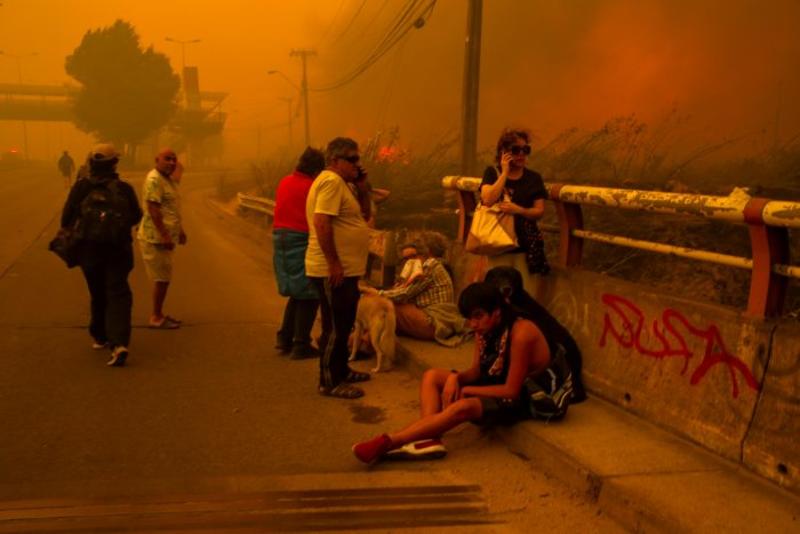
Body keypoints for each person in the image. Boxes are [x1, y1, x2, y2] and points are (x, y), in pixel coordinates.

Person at [352, 281, 574, 464]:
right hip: (499, 382)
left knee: (463, 405)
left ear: (496, 312)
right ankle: (429, 439)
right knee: (432, 376)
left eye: (478, 316)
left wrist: (466, 388)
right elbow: (478, 370)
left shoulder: (521, 333)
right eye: (469, 318)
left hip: (529, 395)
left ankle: (390, 442)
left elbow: (511, 390)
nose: (473, 324)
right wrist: (455, 378)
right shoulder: (483, 330)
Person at [59, 143, 142, 366]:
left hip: (89, 250)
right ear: (115, 163)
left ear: (91, 163)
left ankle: (99, 335)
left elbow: (66, 218)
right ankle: (119, 343)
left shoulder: (81, 187)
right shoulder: (124, 188)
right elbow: (136, 216)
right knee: (118, 292)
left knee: (97, 291)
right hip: (118, 249)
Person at [305, 137, 371, 399]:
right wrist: (334, 263)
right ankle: (329, 381)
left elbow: (365, 215)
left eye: (358, 158)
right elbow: (322, 223)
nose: (357, 163)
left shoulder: (345, 185)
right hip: (332, 271)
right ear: (335, 161)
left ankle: (342, 369)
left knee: (344, 324)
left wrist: (362, 186)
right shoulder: (331, 181)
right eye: (352, 159)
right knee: (334, 326)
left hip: (346, 270)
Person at [485, 266, 586, 402]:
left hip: (559, 365)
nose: (505, 297)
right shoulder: (514, 306)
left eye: (507, 292)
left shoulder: (519, 314)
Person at [479, 128, 550, 295]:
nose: (521, 154)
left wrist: (519, 210)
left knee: (526, 296)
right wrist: (504, 173)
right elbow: (487, 199)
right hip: (498, 246)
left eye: (525, 150)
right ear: (504, 152)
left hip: (526, 247)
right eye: (516, 150)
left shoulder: (534, 178)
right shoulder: (492, 173)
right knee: (497, 296)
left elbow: (539, 211)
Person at [273, 147, 327, 359]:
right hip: (300, 239)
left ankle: (284, 337)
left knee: (297, 291)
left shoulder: (285, 181)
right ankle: (301, 343)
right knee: (310, 292)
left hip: (280, 238)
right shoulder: (313, 186)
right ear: (316, 169)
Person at [362, 240, 467, 347]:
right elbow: (399, 290)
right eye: (406, 259)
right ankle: (364, 341)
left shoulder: (429, 267)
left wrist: (377, 293)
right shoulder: (413, 271)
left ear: (424, 254)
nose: (410, 261)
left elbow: (405, 294)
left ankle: (364, 343)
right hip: (427, 317)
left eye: (413, 256)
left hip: (437, 322)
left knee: (387, 306)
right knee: (385, 312)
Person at [136, 149, 186, 329]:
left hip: (164, 237)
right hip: (155, 238)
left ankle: (159, 313)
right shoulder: (154, 179)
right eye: (167, 159)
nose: (172, 162)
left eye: (174, 159)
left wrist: (179, 231)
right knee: (161, 279)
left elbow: (170, 208)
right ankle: (156, 317)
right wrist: (165, 234)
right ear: (156, 160)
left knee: (164, 277)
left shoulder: (167, 179)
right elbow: (154, 209)